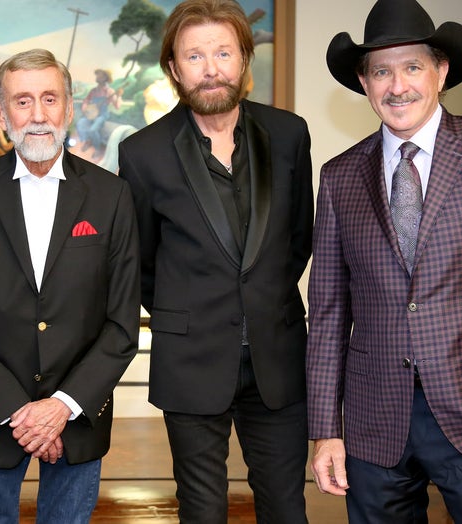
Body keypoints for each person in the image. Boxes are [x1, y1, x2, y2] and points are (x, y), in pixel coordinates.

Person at [307, 0, 462, 522]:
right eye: (381, 70)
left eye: (412, 67)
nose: (397, 85)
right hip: (374, 423)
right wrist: (324, 428)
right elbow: (328, 311)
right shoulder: (339, 176)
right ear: (364, 80)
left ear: (441, 71)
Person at [117, 0, 314, 521]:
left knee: (286, 508)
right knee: (202, 511)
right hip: (191, 358)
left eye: (224, 52)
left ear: (244, 59)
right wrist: (188, 310)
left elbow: (298, 240)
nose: (211, 68)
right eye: (195, 56)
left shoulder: (290, 134)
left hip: (278, 356)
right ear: (174, 68)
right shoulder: (143, 152)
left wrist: (259, 298)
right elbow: (141, 262)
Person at [0, 48, 140, 523]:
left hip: (80, 414)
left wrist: (61, 407)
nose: (38, 115)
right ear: (1, 114)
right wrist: (18, 410)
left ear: (69, 108)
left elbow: (121, 322)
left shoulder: (112, 197)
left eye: (50, 99)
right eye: (23, 101)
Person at [76, 69, 121, 160]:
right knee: (80, 123)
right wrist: (85, 109)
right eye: (97, 75)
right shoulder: (93, 91)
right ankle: (87, 140)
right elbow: (86, 101)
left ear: (105, 78)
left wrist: (119, 96)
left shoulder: (109, 91)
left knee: (93, 130)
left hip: (102, 115)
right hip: (91, 114)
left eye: (100, 76)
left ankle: (97, 149)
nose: (97, 77)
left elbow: (117, 106)